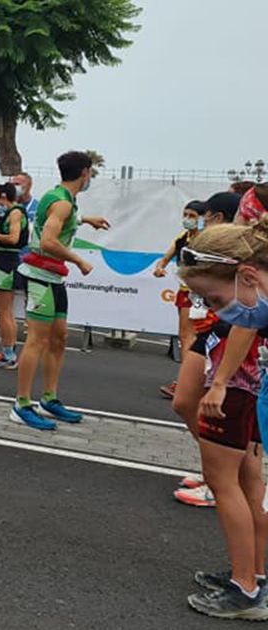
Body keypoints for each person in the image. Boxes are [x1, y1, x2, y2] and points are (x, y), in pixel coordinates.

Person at [174, 217, 268, 620]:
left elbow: (243, 330)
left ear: (247, 276)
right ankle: (252, 578)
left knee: (228, 481)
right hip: (245, 388)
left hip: (238, 388)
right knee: (244, 480)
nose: (213, 309)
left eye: (213, 299)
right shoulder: (254, 299)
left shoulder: (250, 310)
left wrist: (220, 384)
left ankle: (246, 589)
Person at [9, 151, 111, 431]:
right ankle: (21, 404)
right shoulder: (62, 203)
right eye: (90, 173)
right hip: (39, 277)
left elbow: (60, 220)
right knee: (36, 341)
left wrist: (86, 219)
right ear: (85, 173)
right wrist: (79, 260)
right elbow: (48, 241)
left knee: (59, 337)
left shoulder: (65, 199)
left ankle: (49, 399)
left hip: (54, 278)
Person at [170, 194, 239, 508]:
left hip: (230, 333)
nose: (200, 220)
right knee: (185, 401)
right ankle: (214, 471)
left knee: (226, 416)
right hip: (210, 330)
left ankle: (222, 480)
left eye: (205, 215)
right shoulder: (203, 242)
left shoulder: (239, 249)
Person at [153, 200, 207, 399]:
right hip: (184, 291)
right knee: (187, 336)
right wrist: (160, 267)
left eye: (192, 216)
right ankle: (192, 380)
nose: (187, 219)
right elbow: (166, 258)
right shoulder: (183, 237)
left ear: (203, 218)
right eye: (185, 215)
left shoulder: (207, 240)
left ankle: (187, 383)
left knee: (188, 336)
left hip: (198, 293)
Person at [0, 183, 29, 370]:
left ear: (2, 197)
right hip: (3, 262)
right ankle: (8, 351)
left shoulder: (15, 213)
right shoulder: (9, 213)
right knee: (5, 313)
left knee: (4, 314)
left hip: (6, 265)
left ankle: (9, 354)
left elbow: (14, 238)